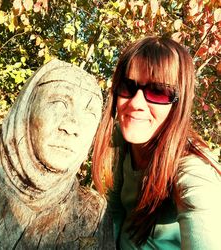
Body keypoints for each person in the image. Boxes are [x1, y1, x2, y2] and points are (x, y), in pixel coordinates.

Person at [92, 36, 221, 249]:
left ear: (179, 103)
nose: (136, 103)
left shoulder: (193, 171)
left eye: (158, 91)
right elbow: (114, 210)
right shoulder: (121, 137)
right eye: (128, 86)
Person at [0, 59, 115, 249]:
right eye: (59, 103)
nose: (72, 127)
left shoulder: (94, 215)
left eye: (90, 114)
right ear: (26, 107)